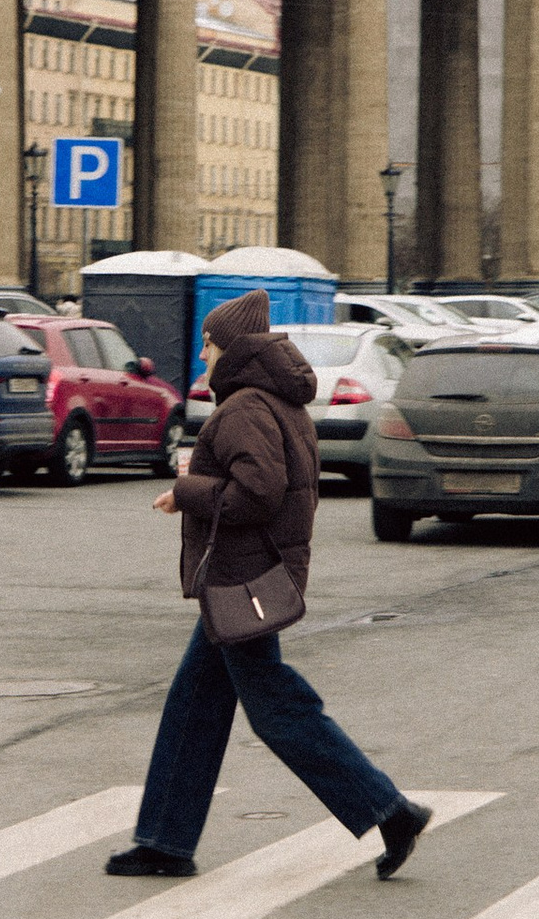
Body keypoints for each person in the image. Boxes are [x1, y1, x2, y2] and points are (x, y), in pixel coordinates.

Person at [107, 288, 432, 881]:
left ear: (229, 347)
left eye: (207, 343)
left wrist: (188, 490)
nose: (201, 354)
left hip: (244, 577)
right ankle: (164, 841)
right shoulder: (272, 401)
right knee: (193, 706)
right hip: (245, 576)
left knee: (278, 708)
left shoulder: (246, 407)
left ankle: (389, 808)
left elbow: (257, 492)